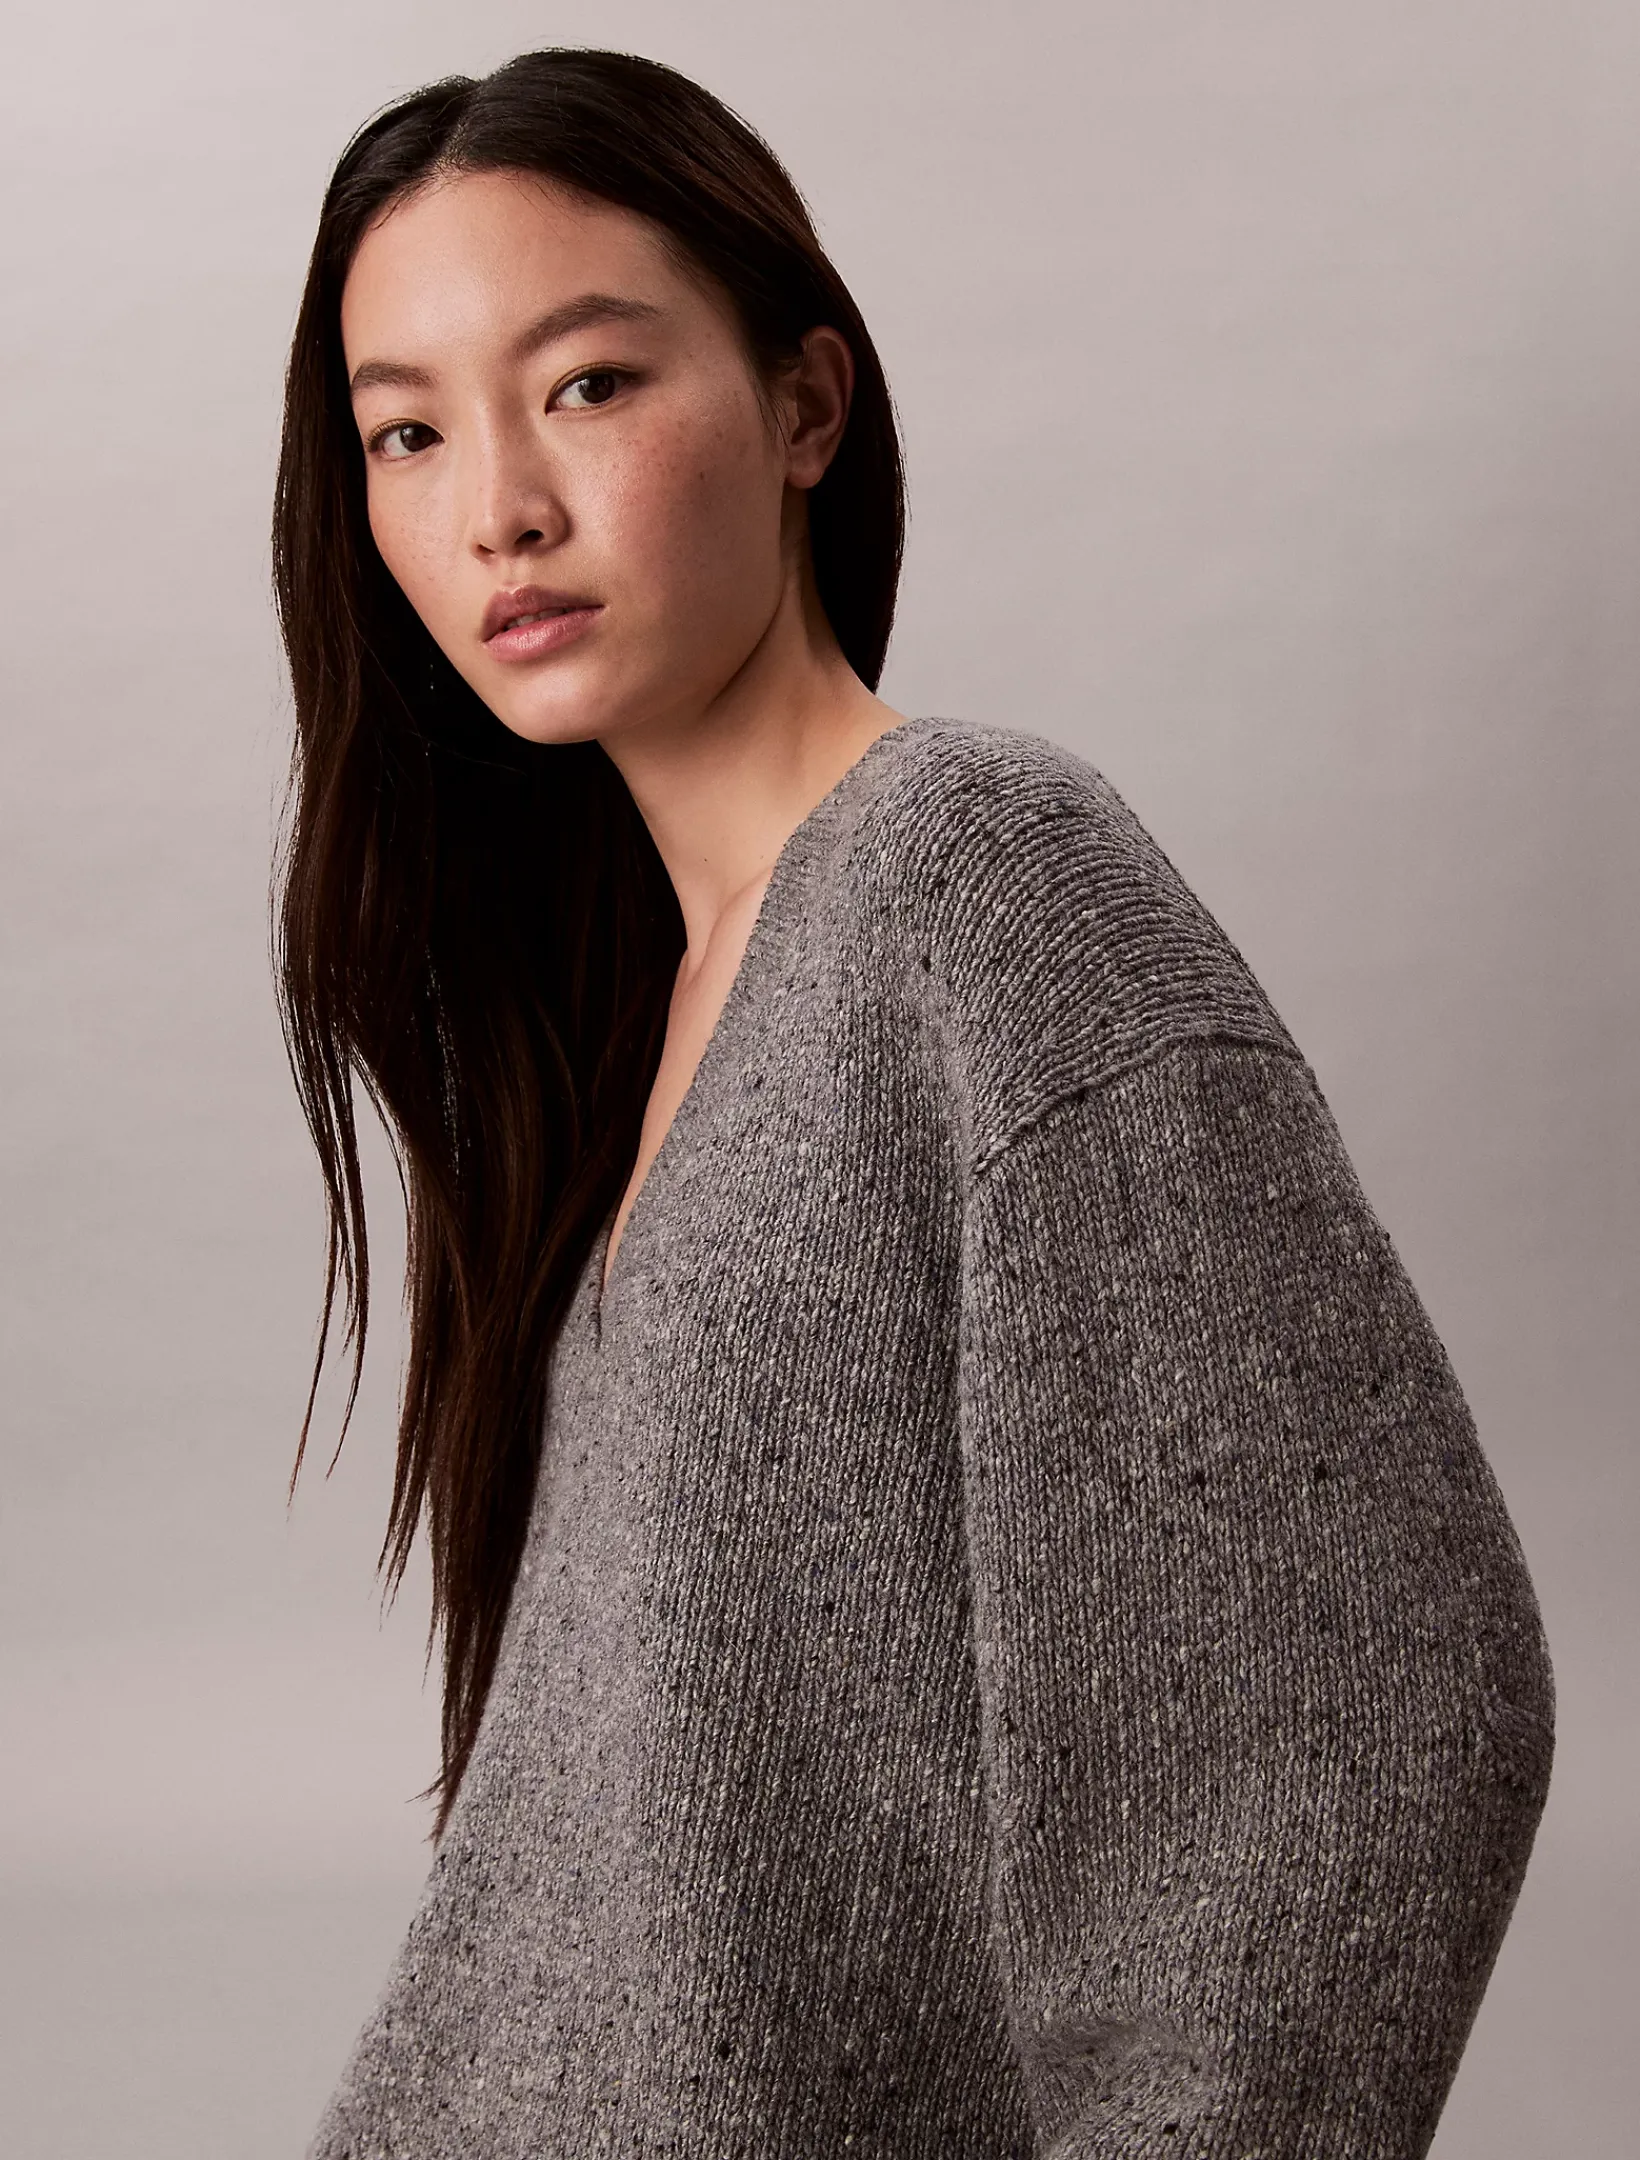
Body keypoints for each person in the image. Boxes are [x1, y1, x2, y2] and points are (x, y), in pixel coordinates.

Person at [272, 46, 1555, 2160]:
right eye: (406, 430)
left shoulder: (979, 881)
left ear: (805, 406)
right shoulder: (649, 1010)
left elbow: (1374, 1715)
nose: (497, 503)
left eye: (588, 383)